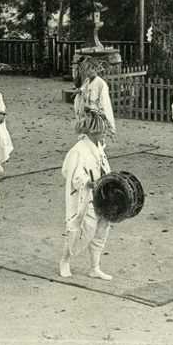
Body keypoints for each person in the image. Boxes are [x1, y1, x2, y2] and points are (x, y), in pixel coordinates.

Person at [59, 109, 114, 280]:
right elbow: (70, 172)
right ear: (92, 131)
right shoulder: (78, 150)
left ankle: (94, 267)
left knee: (102, 229)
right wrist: (87, 182)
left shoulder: (99, 147)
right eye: (101, 131)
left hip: (102, 194)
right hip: (86, 196)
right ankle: (65, 260)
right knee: (82, 230)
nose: (104, 134)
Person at [74, 57, 116, 142]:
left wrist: (109, 125)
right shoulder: (87, 81)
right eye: (85, 70)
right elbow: (83, 92)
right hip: (86, 117)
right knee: (85, 140)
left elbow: (105, 104)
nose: (86, 72)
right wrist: (80, 92)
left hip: (96, 117)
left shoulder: (101, 84)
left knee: (96, 142)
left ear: (94, 68)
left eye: (88, 69)